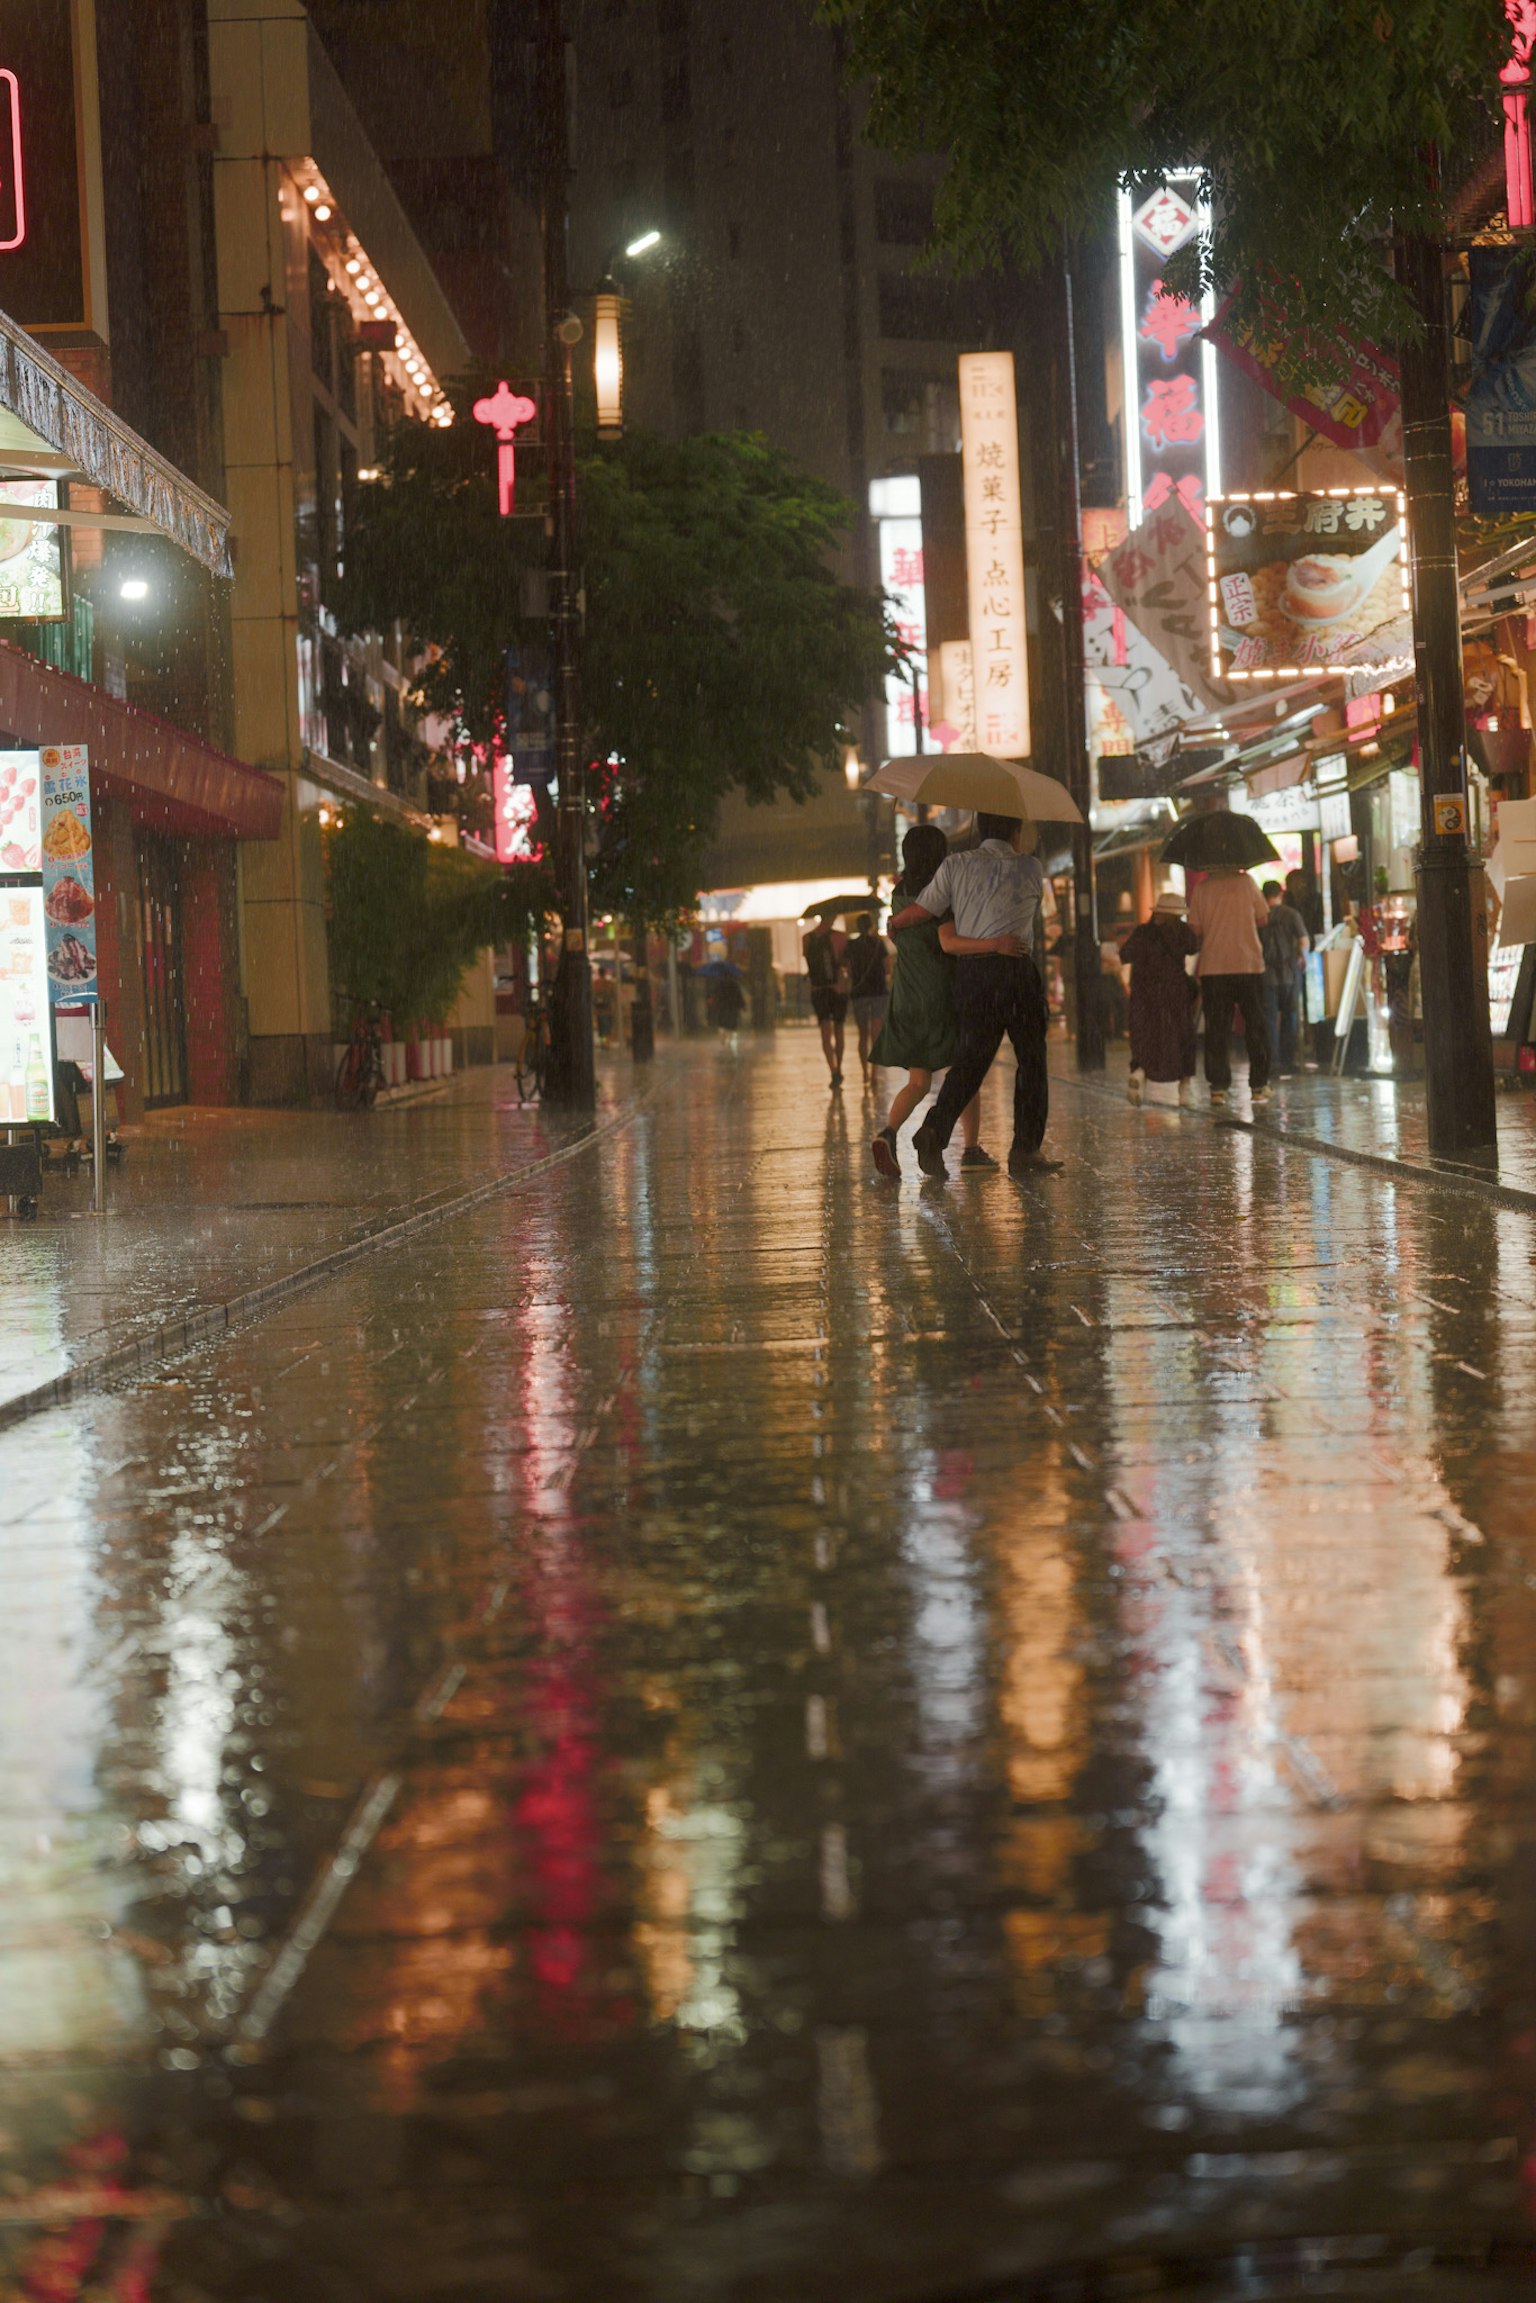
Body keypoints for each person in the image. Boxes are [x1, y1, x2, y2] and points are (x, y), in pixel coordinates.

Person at [903, 810, 1059, 1181]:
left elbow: (924, 909)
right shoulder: (1030, 868)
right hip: (1018, 971)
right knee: (1031, 1061)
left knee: (971, 1062)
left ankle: (934, 1131)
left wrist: (895, 922)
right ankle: (1025, 1150)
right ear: (1016, 832)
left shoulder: (955, 864)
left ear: (981, 828)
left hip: (974, 976)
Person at [869, 825, 992, 1178]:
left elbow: (903, 937)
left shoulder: (899, 894)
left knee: (918, 1082)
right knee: (965, 1073)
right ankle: (970, 1149)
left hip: (906, 995)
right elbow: (948, 942)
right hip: (941, 993)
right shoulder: (939, 896)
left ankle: (887, 1134)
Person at [1186, 867, 1272, 1105]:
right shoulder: (1247, 883)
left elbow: (1195, 928)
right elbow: (1263, 919)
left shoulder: (1201, 889)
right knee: (1255, 1025)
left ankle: (1218, 1088)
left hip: (1214, 967)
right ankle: (1259, 1085)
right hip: (1248, 963)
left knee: (1217, 1028)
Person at [1122, 890, 1199, 1105]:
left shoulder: (1143, 932)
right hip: (1175, 991)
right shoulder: (1182, 932)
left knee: (1146, 1034)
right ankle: (1185, 1088)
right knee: (1182, 1036)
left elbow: (1124, 955)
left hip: (1144, 992)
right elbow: (1194, 947)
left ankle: (1140, 1070)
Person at [1260, 878, 1310, 1076]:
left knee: (1269, 1019)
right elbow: (1304, 940)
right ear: (1281, 894)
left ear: (1263, 896)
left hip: (1266, 974)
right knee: (1290, 1017)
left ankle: (1273, 1062)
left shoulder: (1259, 916)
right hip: (1289, 972)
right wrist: (1301, 957)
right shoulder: (1292, 914)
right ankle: (1288, 1061)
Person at [802, 915, 848, 1086]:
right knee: (839, 1030)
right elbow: (844, 962)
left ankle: (833, 1070)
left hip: (818, 989)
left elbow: (808, 962)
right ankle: (839, 1067)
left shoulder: (807, 938)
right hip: (838, 989)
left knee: (825, 1031)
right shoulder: (840, 937)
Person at [846, 913, 890, 1078]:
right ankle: (874, 1072)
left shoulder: (851, 945)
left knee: (863, 1035)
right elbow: (888, 968)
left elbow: (849, 970)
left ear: (857, 927)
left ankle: (864, 1071)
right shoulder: (878, 944)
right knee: (875, 1035)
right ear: (871, 925)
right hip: (878, 991)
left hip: (860, 993)